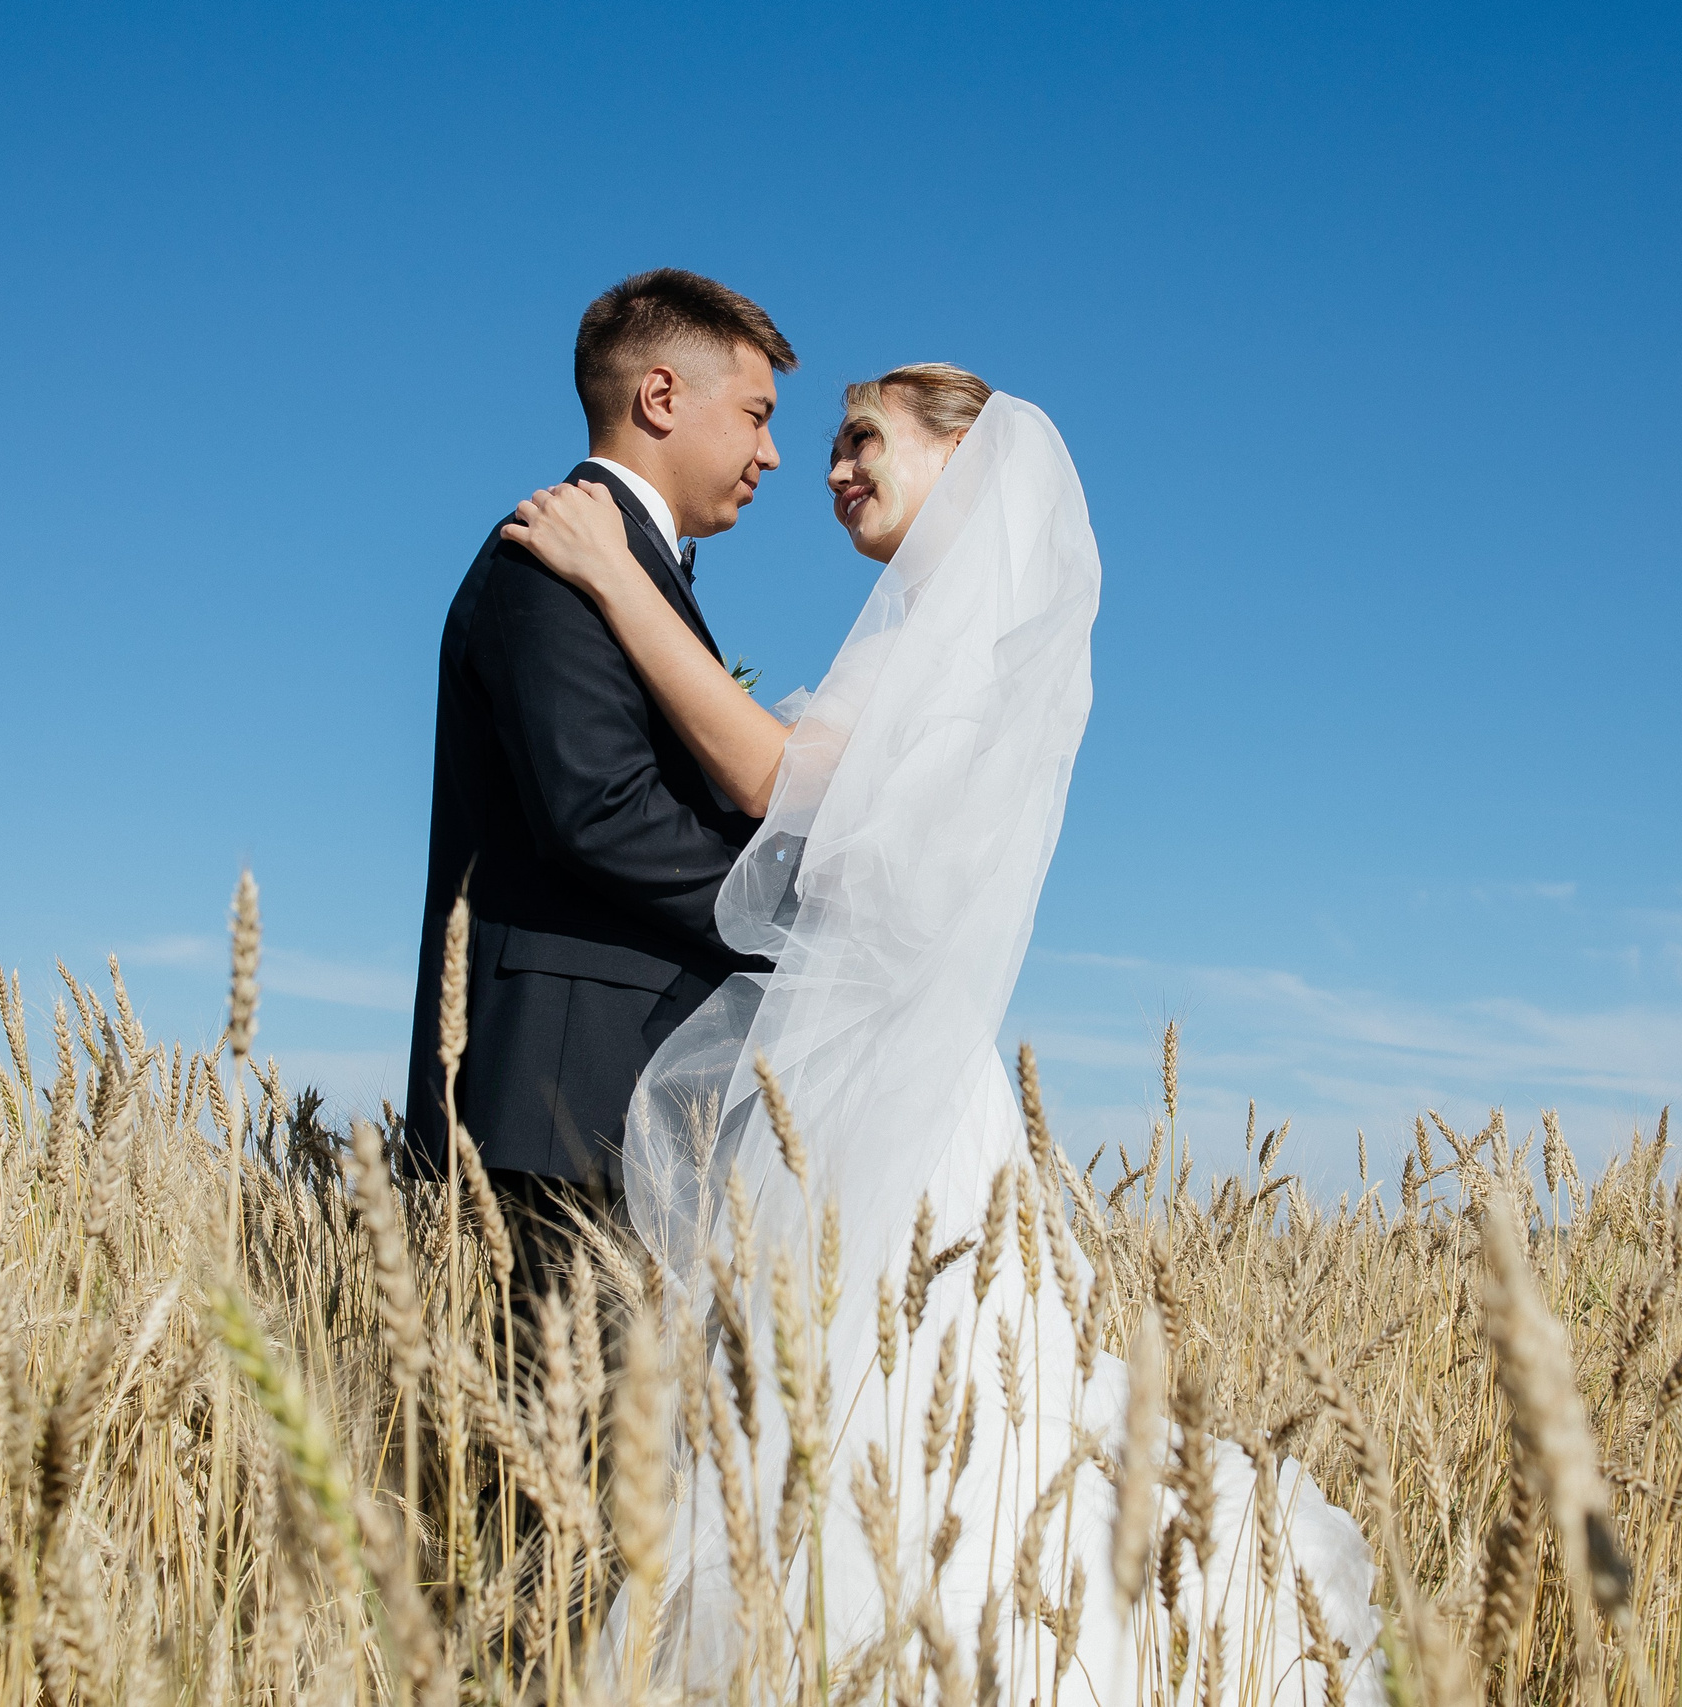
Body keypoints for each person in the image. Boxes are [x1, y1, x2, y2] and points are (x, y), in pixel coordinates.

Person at [501, 366, 1387, 1705]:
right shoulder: (942, 635)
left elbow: (773, 777)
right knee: (825, 1407)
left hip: (883, 1090)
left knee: (880, 1410)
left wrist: (618, 586)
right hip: (858, 1069)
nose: (831, 465)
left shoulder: (961, 653)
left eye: (865, 439)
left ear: (964, 466)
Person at [405, 268, 794, 1296]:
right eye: (755, 415)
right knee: (554, 1448)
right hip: (561, 1099)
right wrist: (786, 928)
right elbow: (599, 811)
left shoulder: (619, 566)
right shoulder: (555, 553)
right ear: (661, 397)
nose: (771, 453)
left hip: (610, 1094)